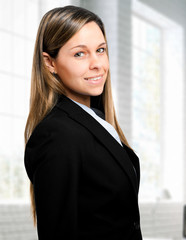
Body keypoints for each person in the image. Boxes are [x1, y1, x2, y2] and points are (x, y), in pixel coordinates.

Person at [24, 5, 142, 240]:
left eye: (100, 50)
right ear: (50, 63)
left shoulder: (96, 121)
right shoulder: (57, 134)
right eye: (80, 53)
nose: (97, 64)